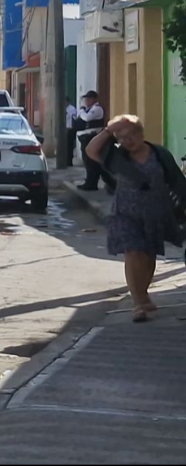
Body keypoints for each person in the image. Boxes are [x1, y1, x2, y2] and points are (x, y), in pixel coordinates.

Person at [85, 115, 186, 322]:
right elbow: (91, 150)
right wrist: (107, 130)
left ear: (141, 133)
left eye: (132, 135)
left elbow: (176, 180)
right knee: (133, 252)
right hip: (126, 213)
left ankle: (143, 293)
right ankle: (138, 303)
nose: (128, 140)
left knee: (149, 256)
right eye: (122, 137)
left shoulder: (160, 154)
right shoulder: (117, 157)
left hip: (155, 212)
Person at [77, 90, 115, 192]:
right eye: (86, 99)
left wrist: (81, 111)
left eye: (89, 99)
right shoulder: (88, 109)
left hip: (92, 138)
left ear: (94, 99)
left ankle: (93, 183)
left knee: (92, 162)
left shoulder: (97, 109)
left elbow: (87, 118)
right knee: (89, 162)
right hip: (85, 138)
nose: (86, 101)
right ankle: (91, 182)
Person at [65, 98, 79, 164]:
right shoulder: (61, 108)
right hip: (64, 129)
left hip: (70, 128)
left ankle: (69, 161)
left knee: (69, 146)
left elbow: (74, 118)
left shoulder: (72, 109)